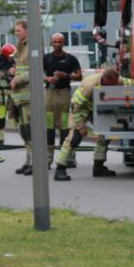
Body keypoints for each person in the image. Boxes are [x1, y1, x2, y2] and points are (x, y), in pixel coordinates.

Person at [53, 66, 134, 182]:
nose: (115, 87)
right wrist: (80, 126)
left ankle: (98, 167)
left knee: (105, 134)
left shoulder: (115, 80)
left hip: (98, 108)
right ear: (105, 80)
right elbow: (76, 106)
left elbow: (129, 83)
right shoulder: (89, 86)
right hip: (81, 109)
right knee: (75, 137)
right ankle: (60, 169)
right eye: (112, 85)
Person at [37, 33, 82, 172]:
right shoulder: (46, 58)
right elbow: (37, 72)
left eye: (60, 42)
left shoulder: (70, 59)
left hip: (64, 94)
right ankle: (48, 159)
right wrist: (48, 79)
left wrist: (66, 75)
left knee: (65, 128)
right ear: (51, 43)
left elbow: (80, 75)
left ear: (64, 43)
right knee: (49, 128)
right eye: (55, 42)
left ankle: (66, 158)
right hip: (49, 94)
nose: (57, 44)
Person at [10, 19, 33, 173]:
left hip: (29, 96)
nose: (16, 33)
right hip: (19, 97)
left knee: (30, 130)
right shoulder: (20, 46)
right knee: (23, 130)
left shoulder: (31, 46)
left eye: (18, 30)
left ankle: (34, 163)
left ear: (26, 30)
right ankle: (28, 161)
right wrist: (13, 72)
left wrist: (17, 79)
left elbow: (35, 69)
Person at [0, 43, 17, 147]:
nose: (13, 58)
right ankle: (0, 140)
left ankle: (28, 140)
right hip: (1, 97)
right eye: (11, 56)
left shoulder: (15, 64)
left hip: (14, 96)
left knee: (19, 117)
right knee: (1, 118)